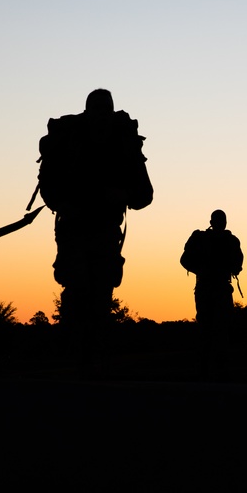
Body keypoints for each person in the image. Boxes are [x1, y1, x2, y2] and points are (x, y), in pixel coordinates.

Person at [37, 89, 153, 358]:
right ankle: (73, 358)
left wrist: (121, 195)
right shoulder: (70, 141)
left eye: (105, 109)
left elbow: (144, 195)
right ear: (88, 112)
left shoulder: (123, 143)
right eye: (97, 109)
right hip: (74, 231)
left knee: (100, 298)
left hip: (104, 232)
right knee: (77, 294)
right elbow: (49, 185)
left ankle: (94, 360)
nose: (101, 116)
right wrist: (65, 206)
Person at [180, 210, 243, 377]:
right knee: (209, 328)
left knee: (218, 328)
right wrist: (202, 271)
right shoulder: (202, 238)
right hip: (208, 287)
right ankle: (206, 367)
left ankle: (216, 367)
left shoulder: (230, 241)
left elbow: (238, 264)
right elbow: (184, 260)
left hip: (217, 287)